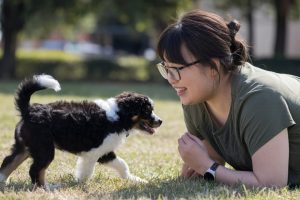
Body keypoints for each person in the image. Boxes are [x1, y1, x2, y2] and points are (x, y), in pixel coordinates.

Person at [155, 9, 300, 188]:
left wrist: (207, 167)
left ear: (213, 67)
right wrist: (199, 164)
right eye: (166, 68)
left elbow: (271, 183)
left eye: (177, 68)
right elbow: (210, 159)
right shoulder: (196, 97)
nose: (171, 78)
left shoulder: (259, 99)